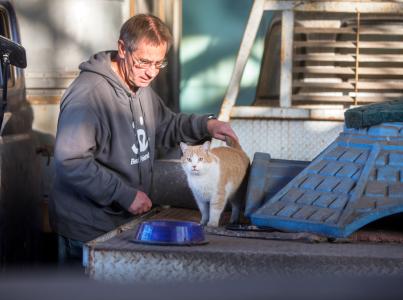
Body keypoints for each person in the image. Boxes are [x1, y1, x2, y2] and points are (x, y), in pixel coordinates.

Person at [49, 14, 238, 264]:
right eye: (144, 62)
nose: (150, 73)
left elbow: (166, 125)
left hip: (122, 224)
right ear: (122, 49)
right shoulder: (89, 96)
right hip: (87, 231)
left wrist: (207, 124)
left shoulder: (140, 88)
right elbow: (71, 161)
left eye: (159, 64)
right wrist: (124, 194)